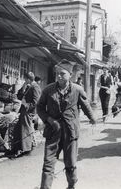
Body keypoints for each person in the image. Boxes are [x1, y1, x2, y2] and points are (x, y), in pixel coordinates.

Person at [36, 59, 96, 189]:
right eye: (57, 73)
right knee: (48, 164)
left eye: (62, 73)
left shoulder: (77, 90)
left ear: (70, 75)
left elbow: (85, 106)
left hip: (71, 132)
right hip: (53, 132)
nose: (58, 76)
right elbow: (39, 107)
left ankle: (71, 185)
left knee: (70, 163)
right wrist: (49, 120)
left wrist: (92, 118)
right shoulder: (48, 90)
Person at [13, 72, 41, 156]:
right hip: (24, 111)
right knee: (19, 129)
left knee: (26, 129)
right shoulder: (28, 86)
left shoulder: (35, 87)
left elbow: (36, 102)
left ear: (28, 79)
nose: (24, 80)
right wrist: (23, 88)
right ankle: (18, 147)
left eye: (25, 79)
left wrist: (26, 105)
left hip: (28, 111)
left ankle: (27, 149)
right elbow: (19, 96)